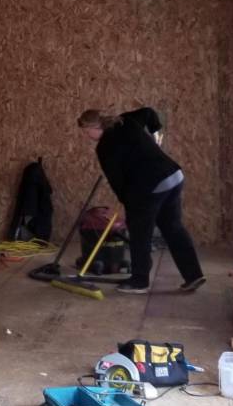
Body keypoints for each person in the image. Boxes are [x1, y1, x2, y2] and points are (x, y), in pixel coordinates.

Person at [77, 107, 205, 295]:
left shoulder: (104, 147)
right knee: (173, 227)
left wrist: (127, 205)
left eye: (86, 131)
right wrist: (155, 135)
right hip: (173, 176)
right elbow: (148, 112)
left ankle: (139, 281)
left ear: (95, 127)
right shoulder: (125, 120)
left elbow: (118, 181)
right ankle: (194, 275)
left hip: (150, 185)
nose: (86, 135)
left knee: (139, 232)